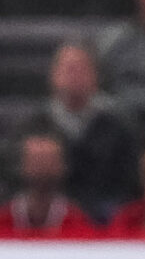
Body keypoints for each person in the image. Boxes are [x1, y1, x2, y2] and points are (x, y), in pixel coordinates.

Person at [33, 40, 139, 221]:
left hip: (104, 222)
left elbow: (129, 185)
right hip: (49, 221)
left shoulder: (118, 127)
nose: (74, 76)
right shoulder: (35, 127)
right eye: (68, 68)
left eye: (81, 69)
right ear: (53, 75)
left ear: (96, 76)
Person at [0, 128, 99, 236]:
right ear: (22, 165)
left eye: (49, 160)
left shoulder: (77, 220)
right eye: (36, 160)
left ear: (62, 166)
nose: (42, 167)